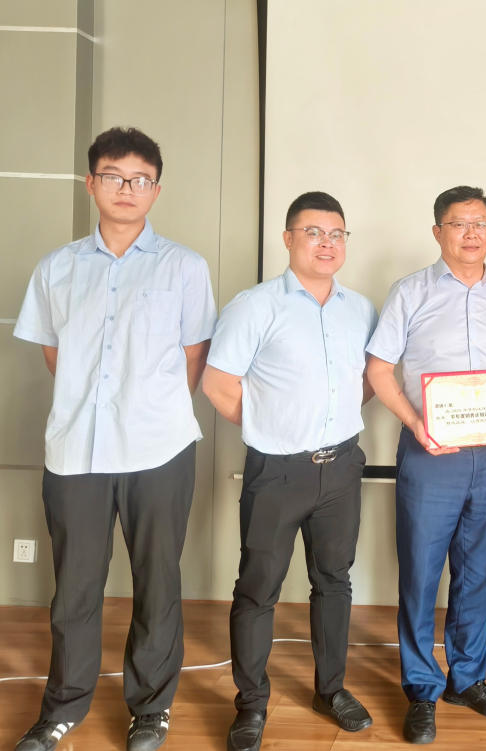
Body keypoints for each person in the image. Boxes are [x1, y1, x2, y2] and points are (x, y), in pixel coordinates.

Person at [12, 127, 216, 751]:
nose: (126, 188)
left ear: (156, 189)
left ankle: (151, 710)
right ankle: (62, 708)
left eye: (140, 179)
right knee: (74, 587)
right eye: (113, 176)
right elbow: (55, 352)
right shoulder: (57, 267)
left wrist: (149, 407)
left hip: (159, 448)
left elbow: (195, 354)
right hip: (75, 449)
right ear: (91, 182)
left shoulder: (184, 266)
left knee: (157, 581)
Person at [202, 191, 377, 750]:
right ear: (288, 239)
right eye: (313, 233)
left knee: (334, 582)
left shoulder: (360, 309)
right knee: (258, 589)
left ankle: (331, 690)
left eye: (336, 234)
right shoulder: (254, 306)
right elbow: (217, 384)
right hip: (276, 473)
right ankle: (252, 703)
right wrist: (269, 425)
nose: (326, 244)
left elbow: (368, 381)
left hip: (341, 469)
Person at [365, 186, 486, 745]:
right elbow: (379, 369)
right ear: (438, 232)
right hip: (429, 453)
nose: (471, 233)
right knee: (420, 572)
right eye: (459, 223)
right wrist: (416, 423)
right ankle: (421, 688)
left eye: (480, 223)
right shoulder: (410, 292)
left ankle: (467, 678)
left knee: (478, 571)